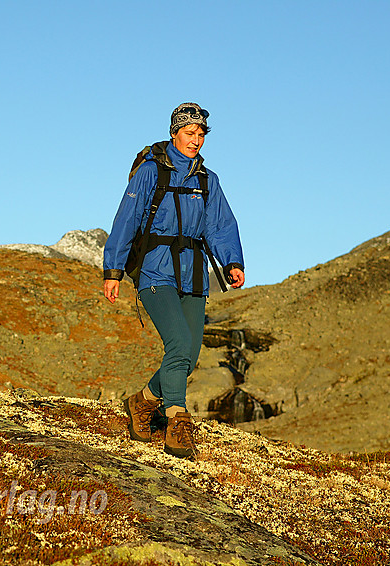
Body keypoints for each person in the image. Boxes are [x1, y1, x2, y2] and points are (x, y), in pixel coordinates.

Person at [103, 102, 244, 459]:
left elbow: (220, 225)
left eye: (200, 135)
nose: (195, 140)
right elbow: (127, 220)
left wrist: (232, 262)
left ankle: (142, 401)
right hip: (155, 270)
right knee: (178, 343)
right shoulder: (151, 173)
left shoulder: (207, 181)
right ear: (174, 133)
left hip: (194, 274)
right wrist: (113, 271)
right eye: (189, 133)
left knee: (189, 353)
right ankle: (176, 420)